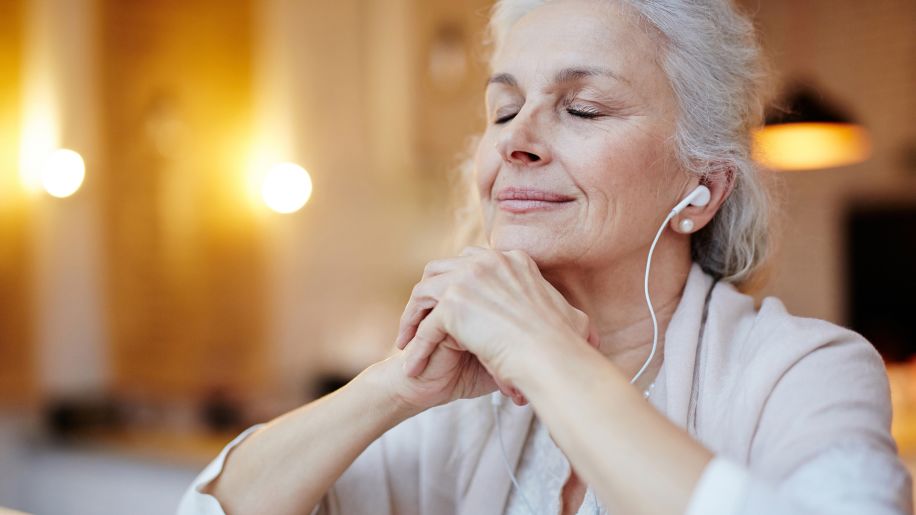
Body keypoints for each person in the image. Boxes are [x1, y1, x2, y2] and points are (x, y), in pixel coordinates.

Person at [177, 0, 913, 513]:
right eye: (503, 110)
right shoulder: (458, 407)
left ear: (702, 188)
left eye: (582, 108)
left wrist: (548, 355)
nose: (515, 139)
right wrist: (393, 387)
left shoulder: (807, 369)